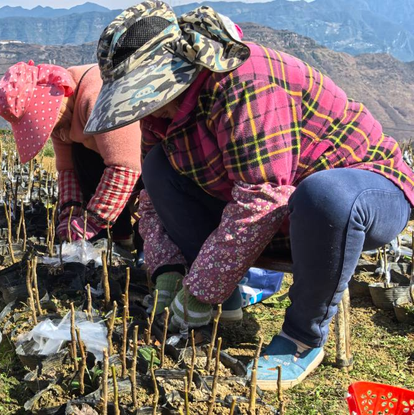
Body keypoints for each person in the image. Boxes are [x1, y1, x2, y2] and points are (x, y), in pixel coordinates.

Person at [86, 1, 414, 389]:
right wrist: (168, 272)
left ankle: (302, 338)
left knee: (323, 194)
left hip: (358, 197)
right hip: (283, 206)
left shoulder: (244, 81)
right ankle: (225, 300)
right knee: (158, 166)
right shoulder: (161, 114)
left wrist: (201, 287)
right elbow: (154, 200)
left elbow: (262, 198)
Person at [0, 61, 142, 250]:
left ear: (57, 97)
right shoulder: (65, 115)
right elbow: (67, 169)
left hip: (154, 161)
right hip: (118, 164)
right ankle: (117, 237)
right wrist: (70, 214)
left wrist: (92, 222)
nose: (56, 131)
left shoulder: (96, 96)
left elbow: (125, 167)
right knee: (79, 155)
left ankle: (139, 245)